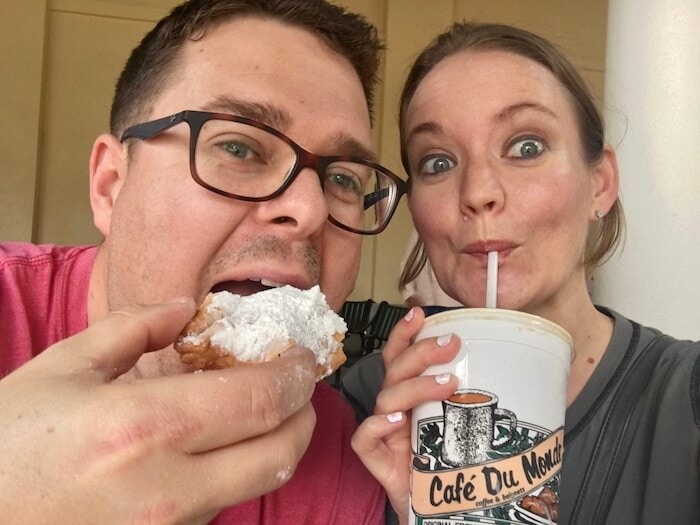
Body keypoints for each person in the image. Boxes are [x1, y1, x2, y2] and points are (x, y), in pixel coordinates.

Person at [0, 0, 410, 522]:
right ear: (110, 186)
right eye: (239, 148)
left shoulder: (339, 457)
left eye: (343, 178)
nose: (310, 210)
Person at [346, 21, 700, 525]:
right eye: (438, 162)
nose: (477, 191)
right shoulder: (361, 406)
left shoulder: (686, 404)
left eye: (526, 147)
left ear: (599, 184)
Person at [399, 229, 461, 309]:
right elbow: (406, 271)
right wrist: (411, 299)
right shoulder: (419, 231)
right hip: (424, 310)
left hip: (462, 313)